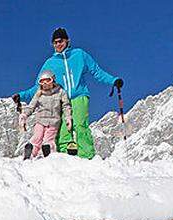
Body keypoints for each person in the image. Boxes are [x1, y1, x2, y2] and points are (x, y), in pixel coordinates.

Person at [13, 27, 122, 159]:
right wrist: (22, 95)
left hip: (79, 96)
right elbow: (38, 86)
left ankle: (87, 156)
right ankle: (65, 159)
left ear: (67, 41)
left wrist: (113, 80)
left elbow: (97, 71)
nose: (58, 44)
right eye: (55, 42)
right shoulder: (50, 63)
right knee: (63, 132)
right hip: (60, 101)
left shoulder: (80, 55)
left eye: (60, 41)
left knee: (80, 125)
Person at [18, 69, 73, 159]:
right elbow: (31, 107)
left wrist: (68, 117)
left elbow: (66, 106)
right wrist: (24, 115)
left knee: (49, 139)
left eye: (48, 81)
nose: (45, 84)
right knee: (37, 137)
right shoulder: (39, 94)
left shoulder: (60, 92)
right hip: (40, 121)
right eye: (42, 82)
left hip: (53, 122)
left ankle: (48, 150)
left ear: (53, 80)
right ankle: (30, 153)